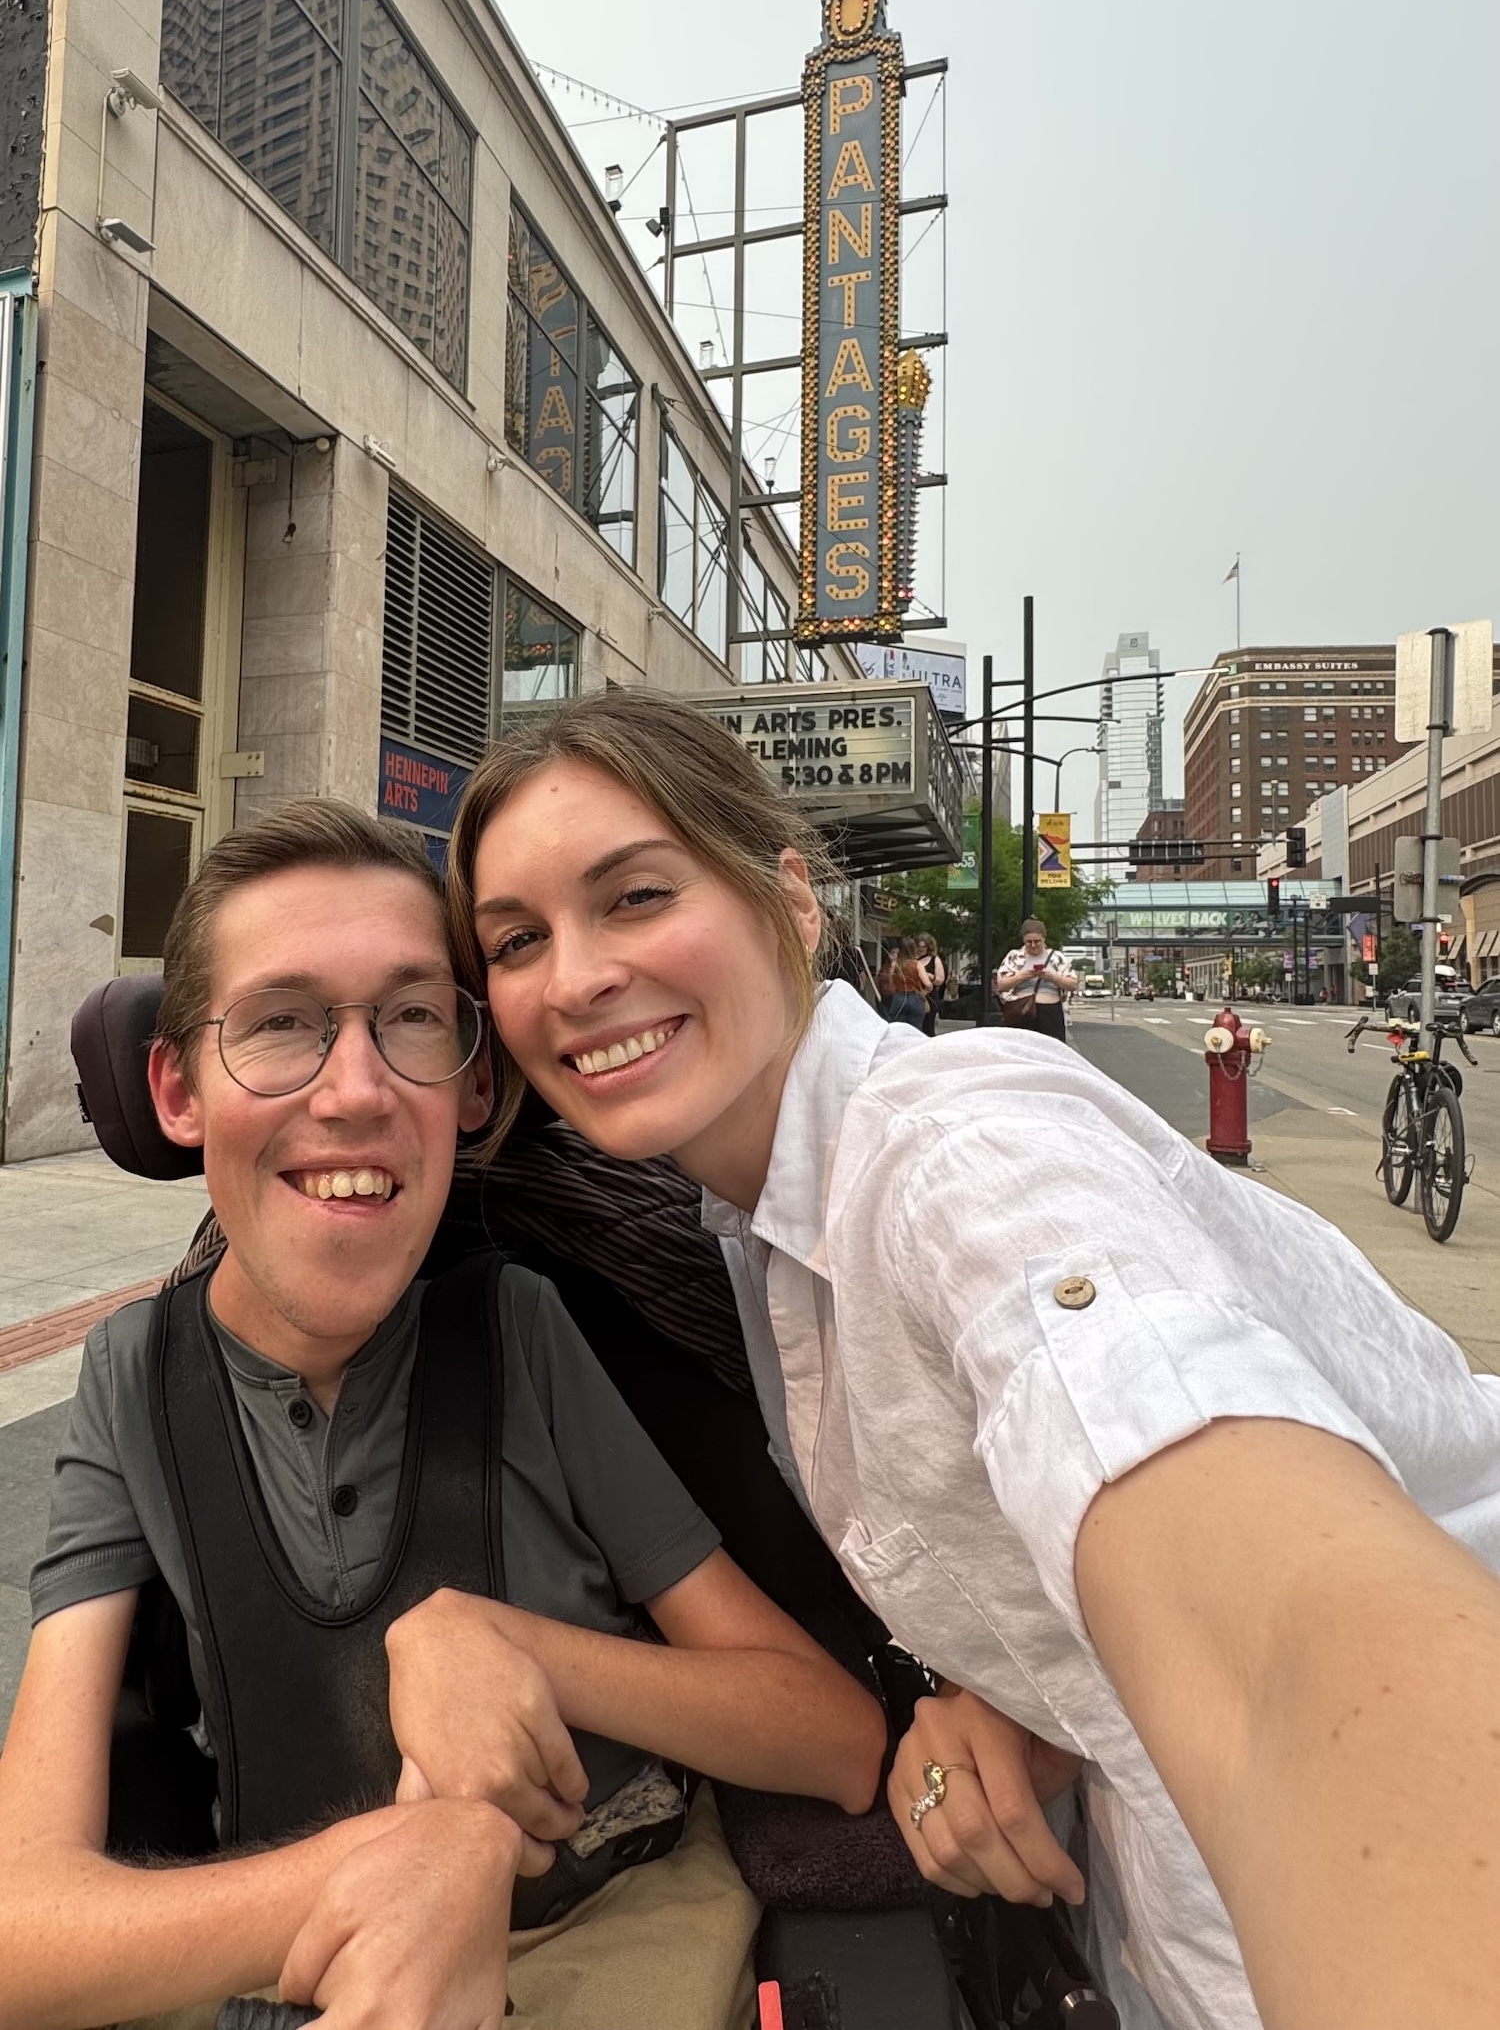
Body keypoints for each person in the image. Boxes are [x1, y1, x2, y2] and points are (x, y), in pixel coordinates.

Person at [445, 690, 1500, 2030]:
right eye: (520, 938)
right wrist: (1009, 1689)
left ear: (790, 897)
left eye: (639, 896)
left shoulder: (965, 1162)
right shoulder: (762, 1230)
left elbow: (1292, 1638)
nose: (579, 973)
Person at [0, 802, 884, 2030]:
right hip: (281, 1964)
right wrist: (410, 1865)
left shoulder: (517, 1334)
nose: (356, 1090)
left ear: (472, 1084)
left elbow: (833, 1737)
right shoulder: (134, 1379)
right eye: (279, 1023)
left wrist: (524, 1649)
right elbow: (22, 1927)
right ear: (177, 1087)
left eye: (410, 1016)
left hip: (601, 1939)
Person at [993, 920, 1077, 1041]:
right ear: (1023, 940)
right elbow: (1002, 985)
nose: (1033, 945)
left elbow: (1073, 984)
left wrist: (1051, 977)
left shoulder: (1057, 958)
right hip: (1022, 1011)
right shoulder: (1014, 957)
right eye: (1029, 942)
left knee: (1050, 1050)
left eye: (1037, 941)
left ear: (1044, 939)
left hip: (1050, 1011)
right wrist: (1024, 976)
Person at [877, 937, 929, 1030]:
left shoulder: (895, 965)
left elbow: (891, 982)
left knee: (898, 1029)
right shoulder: (917, 964)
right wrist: (924, 991)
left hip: (899, 998)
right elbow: (928, 984)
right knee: (916, 1029)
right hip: (915, 997)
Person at [914, 933, 946, 1037]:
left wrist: (932, 977)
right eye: (919, 946)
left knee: (928, 1026)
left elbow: (940, 980)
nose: (921, 949)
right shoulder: (913, 960)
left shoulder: (935, 959)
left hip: (929, 996)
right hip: (914, 995)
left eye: (924, 947)